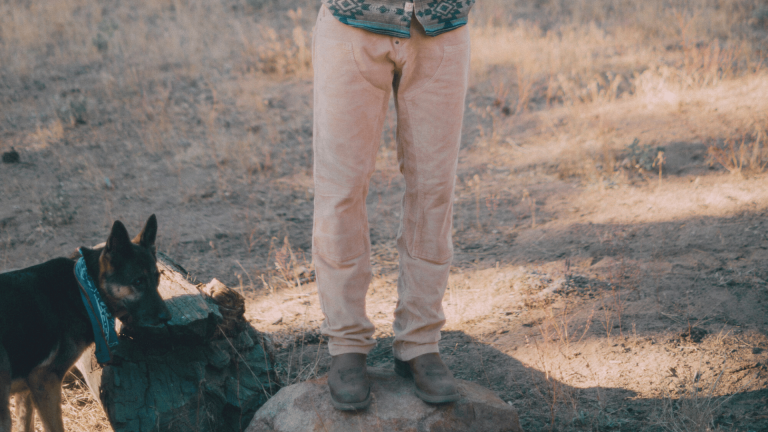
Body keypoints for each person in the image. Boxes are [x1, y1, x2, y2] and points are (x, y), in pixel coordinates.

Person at [312, 0, 474, 410]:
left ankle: (420, 341)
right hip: (352, 23)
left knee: (433, 189)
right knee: (341, 189)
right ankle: (347, 343)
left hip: (441, 26)